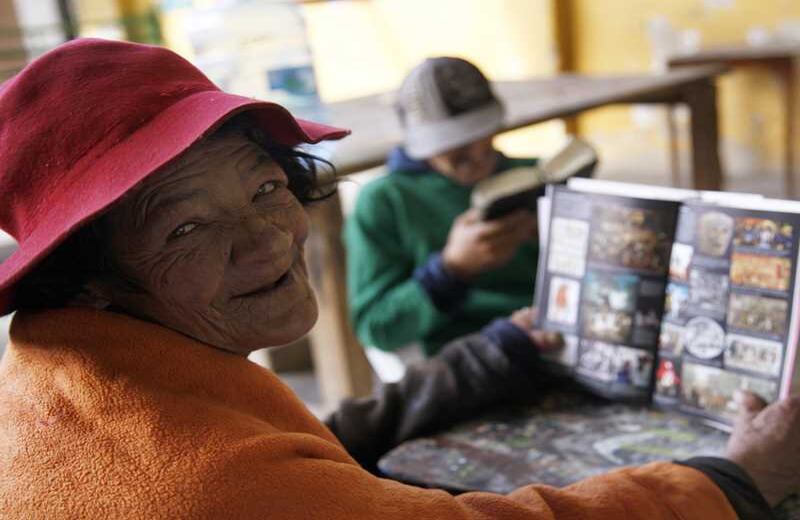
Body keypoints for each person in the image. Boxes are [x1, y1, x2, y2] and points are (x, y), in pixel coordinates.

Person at [0, 38, 795, 519]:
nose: (267, 242)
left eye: (267, 188)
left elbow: (302, 456)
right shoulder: (202, 482)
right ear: (89, 277)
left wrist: (487, 357)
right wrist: (737, 477)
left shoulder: (74, 376)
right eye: (184, 227)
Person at [344, 57, 541, 357]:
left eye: (483, 136)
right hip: (468, 356)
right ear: (422, 146)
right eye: (457, 145)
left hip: (550, 332)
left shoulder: (533, 175)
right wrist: (451, 271)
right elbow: (377, 327)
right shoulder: (385, 202)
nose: (478, 155)